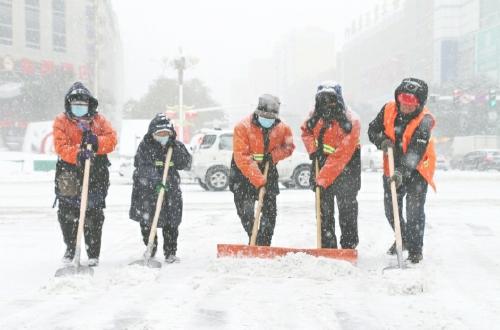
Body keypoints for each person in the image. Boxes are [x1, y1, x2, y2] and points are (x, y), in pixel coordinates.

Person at [368, 78, 436, 264]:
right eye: (402, 101)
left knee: (414, 211)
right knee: (391, 211)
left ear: (419, 103)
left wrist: (402, 172)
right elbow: (372, 130)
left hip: (417, 170)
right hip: (391, 167)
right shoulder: (388, 109)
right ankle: (403, 238)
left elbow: (415, 152)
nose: (405, 106)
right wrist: (381, 140)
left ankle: (415, 250)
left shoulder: (425, 121)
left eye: (411, 103)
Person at [53, 82, 117, 267]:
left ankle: (93, 252)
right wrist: (78, 153)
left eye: (83, 103)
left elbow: (112, 140)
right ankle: (72, 248)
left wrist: (97, 141)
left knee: (94, 213)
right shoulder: (61, 121)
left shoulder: (99, 121)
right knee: (67, 213)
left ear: (90, 104)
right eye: (75, 103)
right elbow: (60, 146)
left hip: (96, 172)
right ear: (69, 103)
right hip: (69, 173)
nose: (79, 106)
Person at [301, 81, 361, 249]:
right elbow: (305, 132)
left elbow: (342, 155)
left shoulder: (352, 120)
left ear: (339, 100)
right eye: (323, 100)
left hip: (348, 168)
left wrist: (322, 178)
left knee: (347, 209)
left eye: (331, 100)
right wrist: (313, 150)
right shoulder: (314, 115)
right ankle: (327, 246)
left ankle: (348, 246)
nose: (327, 104)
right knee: (324, 210)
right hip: (321, 164)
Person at [229, 94, 295, 246]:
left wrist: (272, 157)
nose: (268, 120)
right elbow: (242, 157)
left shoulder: (282, 128)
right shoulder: (242, 127)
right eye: (265, 116)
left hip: (268, 169)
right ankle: (254, 236)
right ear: (257, 113)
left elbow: (289, 146)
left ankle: (263, 243)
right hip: (242, 173)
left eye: (271, 117)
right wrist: (259, 180)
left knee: (269, 212)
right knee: (245, 211)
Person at [129, 113, 192, 263]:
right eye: (159, 134)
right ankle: (151, 247)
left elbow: (186, 164)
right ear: (153, 133)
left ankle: (170, 252)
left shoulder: (175, 146)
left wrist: (175, 151)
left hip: (171, 191)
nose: (163, 136)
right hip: (147, 191)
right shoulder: (145, 146)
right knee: (148, 221)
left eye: (166, 133)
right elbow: (141, 167)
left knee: (171, 222)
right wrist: (155, 182)